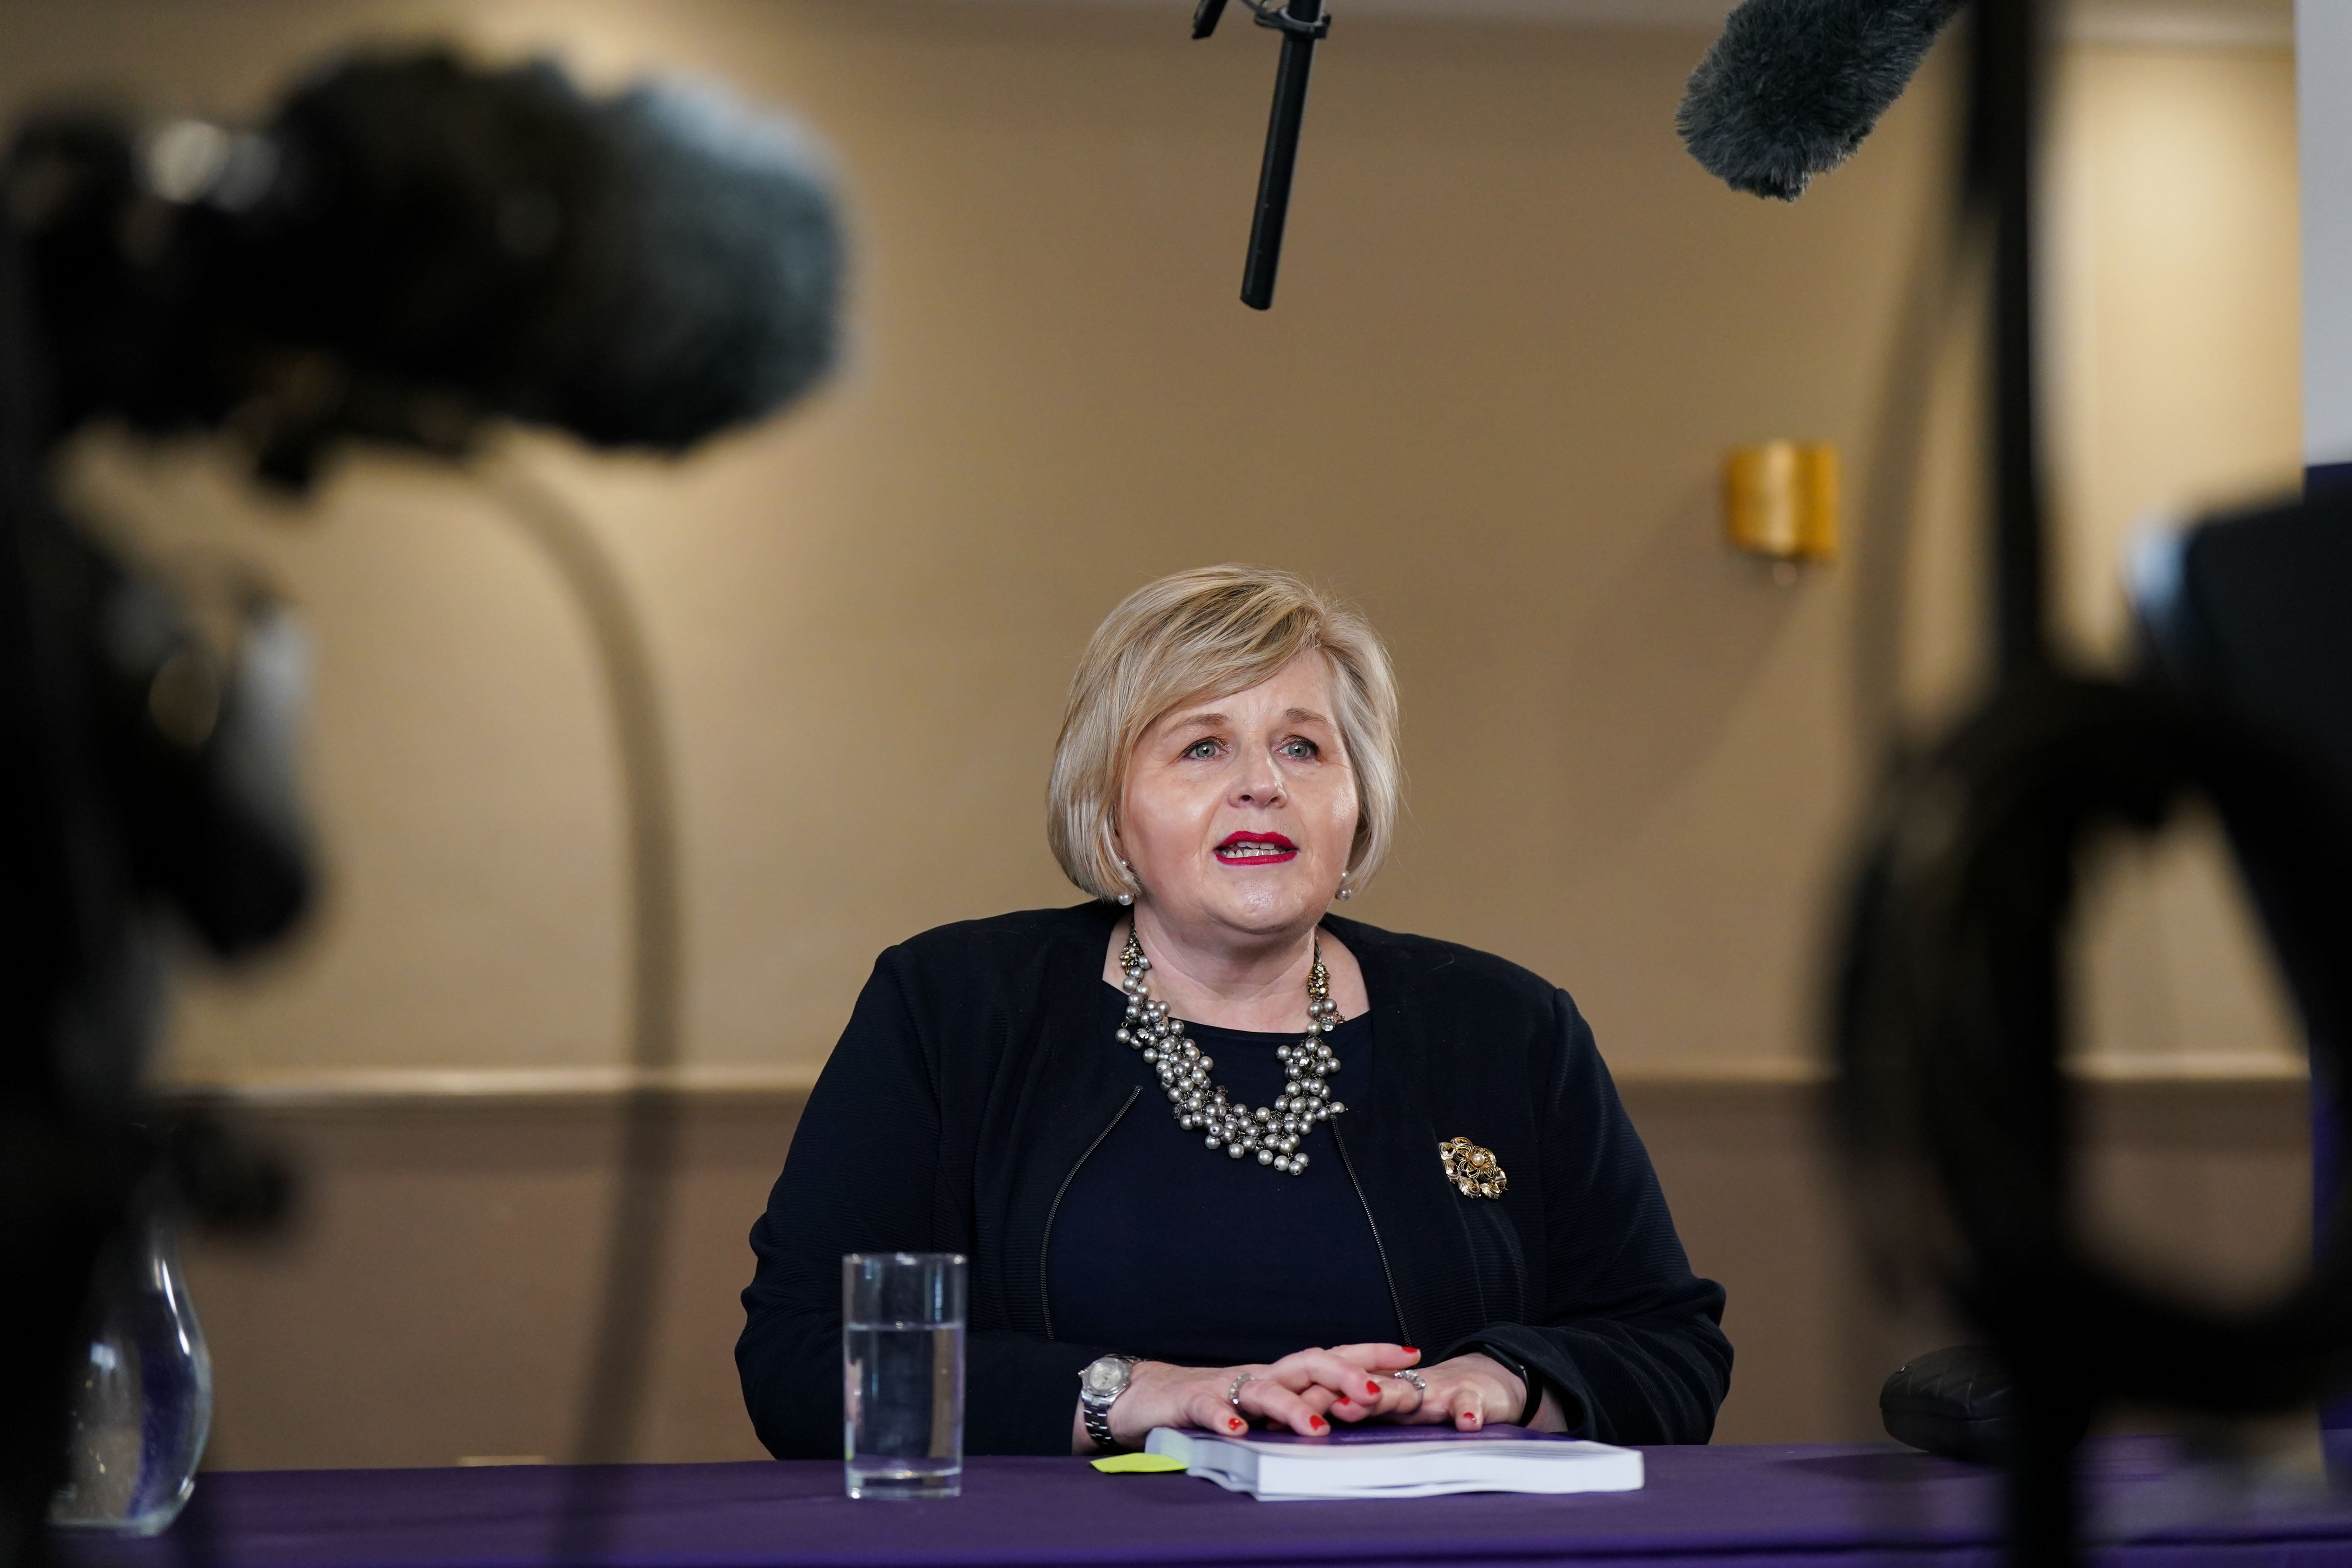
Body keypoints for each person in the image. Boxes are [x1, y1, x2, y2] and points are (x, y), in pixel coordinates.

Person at [738, 565, 1731, 1456]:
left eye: (1302, 747)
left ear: (1358, 805)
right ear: (1109, 809)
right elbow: (801, 1361)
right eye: (1202, 747)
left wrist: (1493, 1385)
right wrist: (1134, 1394)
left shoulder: (1505, 1026)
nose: (1261, 784)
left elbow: (1668, 1348)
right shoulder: (952, 1006)